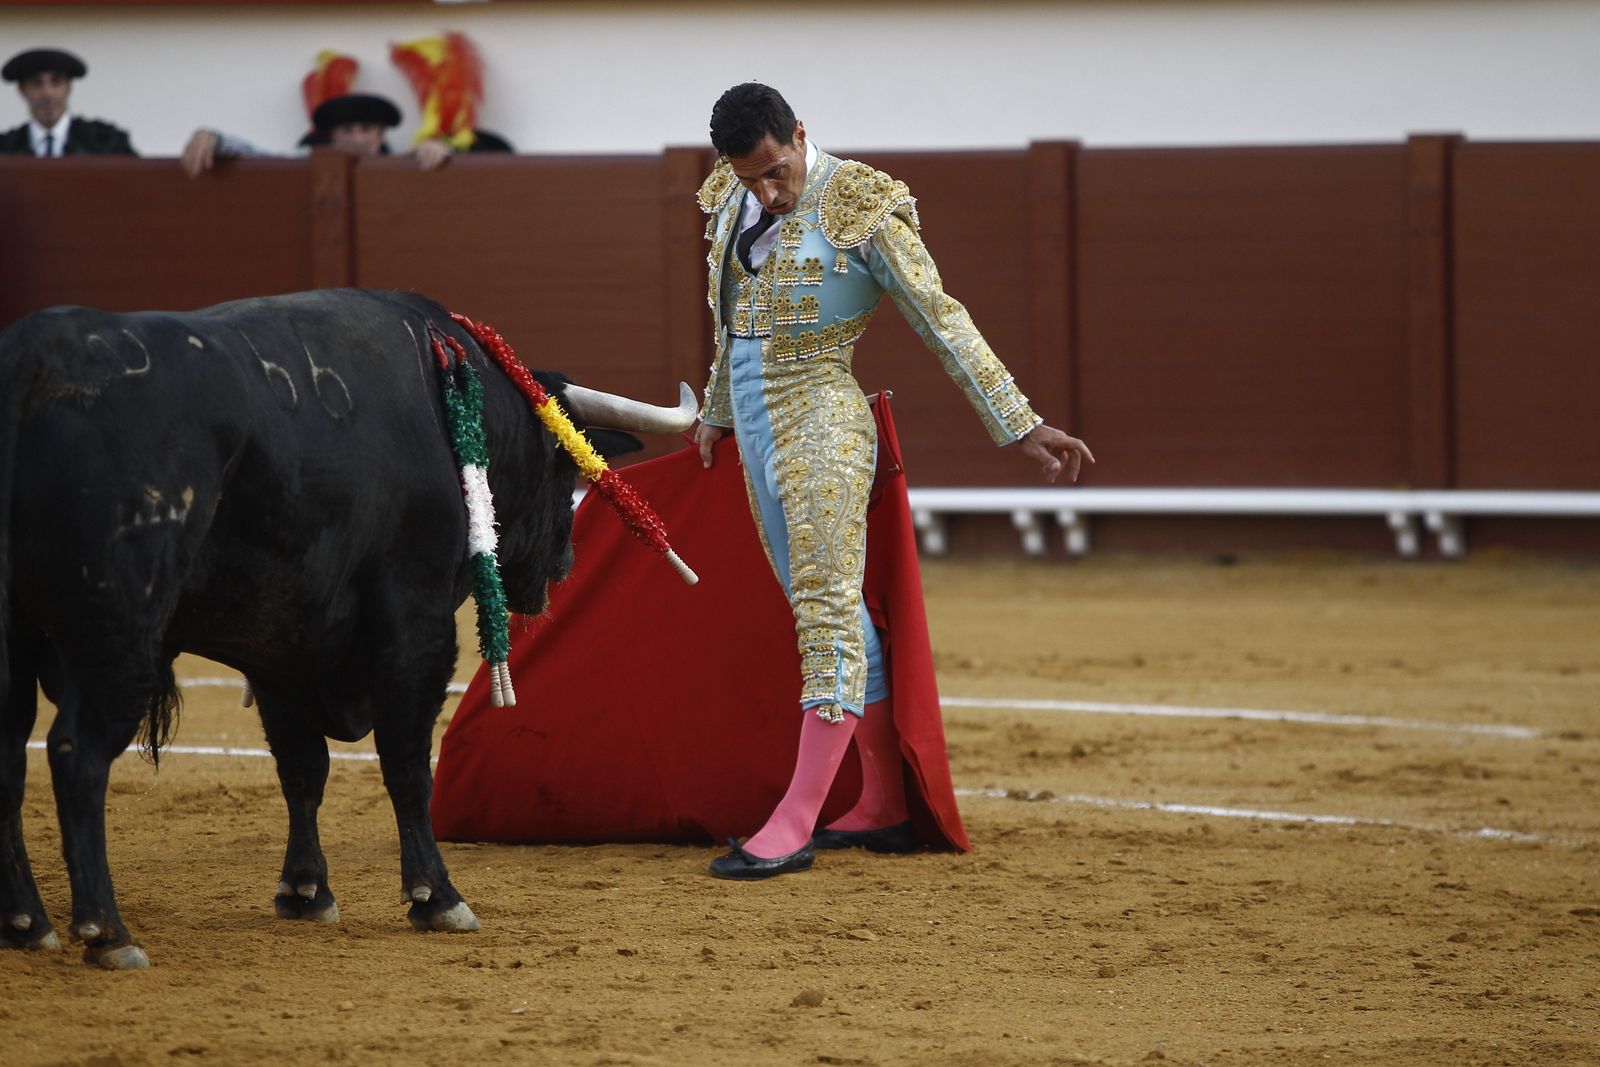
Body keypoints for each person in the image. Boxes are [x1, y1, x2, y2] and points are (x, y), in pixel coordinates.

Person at [693, 83, 1094, 880]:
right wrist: (715, 409)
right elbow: (735, 318)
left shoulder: (863, 204)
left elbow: (940, 314)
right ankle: (880, 802)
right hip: (758, 428)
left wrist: (1018, 422)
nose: (767, 193)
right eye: (751, 179)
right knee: (821, 603)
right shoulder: (731, 199)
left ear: (801, 134)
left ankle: (796, 819)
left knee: (825, 609)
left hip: (824, 427)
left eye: (777, 171)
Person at [180, 92, 457, 177]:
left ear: (381, 133)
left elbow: (455, 161)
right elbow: (255, 156)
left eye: (366, 129)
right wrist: (211, 137)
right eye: (347, 130)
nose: (358, 138)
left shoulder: (404, 165)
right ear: (332, 136)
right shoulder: (305, 162)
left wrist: (439, 150)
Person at [0, 48, 136, 156]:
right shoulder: (5, 148)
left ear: (69, 88)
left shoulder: (107, 142)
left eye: (56, 82)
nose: (48, 93)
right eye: (37, 84)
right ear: (22, 90)